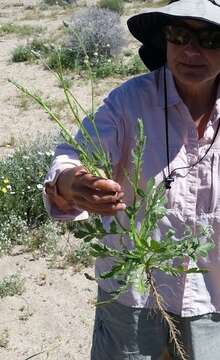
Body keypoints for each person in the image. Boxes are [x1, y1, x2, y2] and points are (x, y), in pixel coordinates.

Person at [44, 0, 220, 359]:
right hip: (133, 298)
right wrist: (72, 183)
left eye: (210, 39)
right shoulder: (129, 102)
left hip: (214, 299)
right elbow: (73, 155)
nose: (190, 50)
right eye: (180, 35)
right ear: (165, 39)